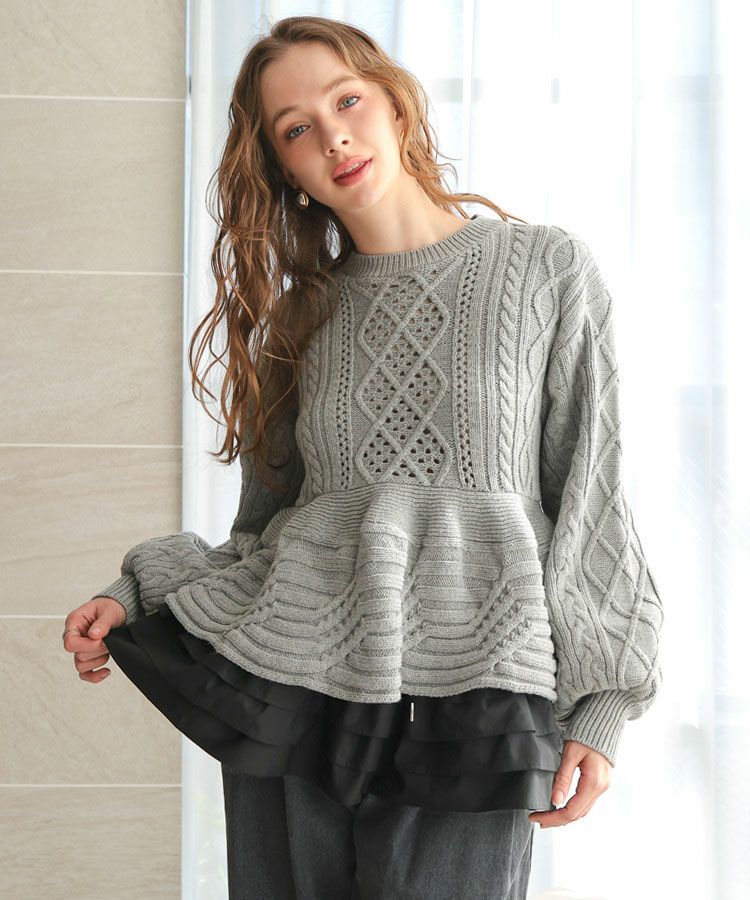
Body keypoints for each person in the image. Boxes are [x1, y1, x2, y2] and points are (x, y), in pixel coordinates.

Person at [61, 14, 664, 900]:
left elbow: (591, 500)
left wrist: (603, 704)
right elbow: (258, 540)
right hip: (291, 692)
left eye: (346, 101)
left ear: (396, 104)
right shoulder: (295, 323)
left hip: (481, 689)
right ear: (285, 170)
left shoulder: (545, 269)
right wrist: (135, 592)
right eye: (296, 128)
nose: (333, 136)